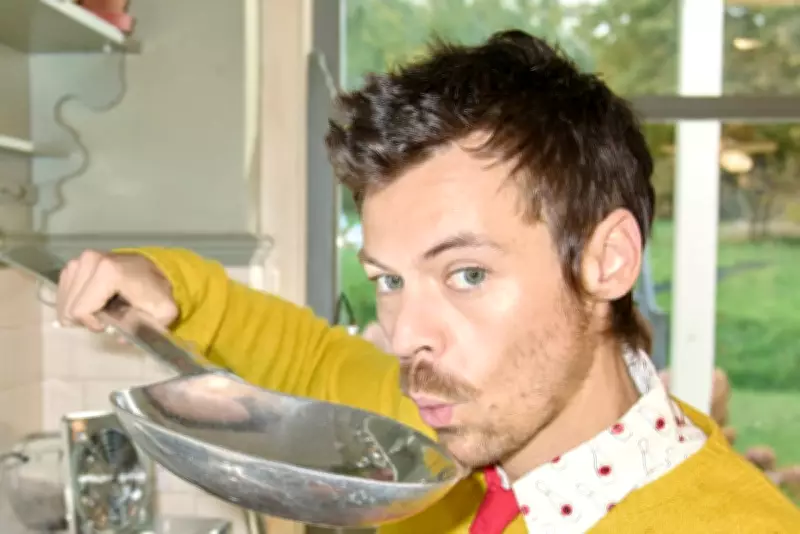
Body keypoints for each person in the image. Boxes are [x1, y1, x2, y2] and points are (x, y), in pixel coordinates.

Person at [55, 30, 799, 533]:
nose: (407, 336)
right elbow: (311, 361)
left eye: (466, 274)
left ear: (606, 261)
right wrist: (167, 285)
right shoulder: (437, 428)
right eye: (389, 280)